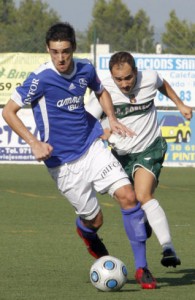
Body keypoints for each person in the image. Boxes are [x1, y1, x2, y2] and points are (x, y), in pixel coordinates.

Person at [2, 23, 157, 289]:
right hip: (62, 163)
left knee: (128, 196)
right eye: (54, 52)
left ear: (73, 47)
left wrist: (111, 117)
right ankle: (88, 234)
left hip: (92, 146)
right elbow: (8, 111)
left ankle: (143, 269)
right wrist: (33, 143)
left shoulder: (85, 68)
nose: (60, 58)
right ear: (47, 50)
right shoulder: (40, 78)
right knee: (94, 220)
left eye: (65, 51)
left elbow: (101, 90)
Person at [86, 51, 193, 268]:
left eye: (128, 77)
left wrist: (180, 105)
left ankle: (168, 248)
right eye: (119, 79)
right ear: (111, 77)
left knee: (144, 195)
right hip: (119, 155)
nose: (124, 84)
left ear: (135, 72)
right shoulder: (103, 90)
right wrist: (102, 130)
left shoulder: (149, 78)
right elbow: (86, 121)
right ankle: (146, 220)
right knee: (131, 201)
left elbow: (163, 84)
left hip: (149, 148)